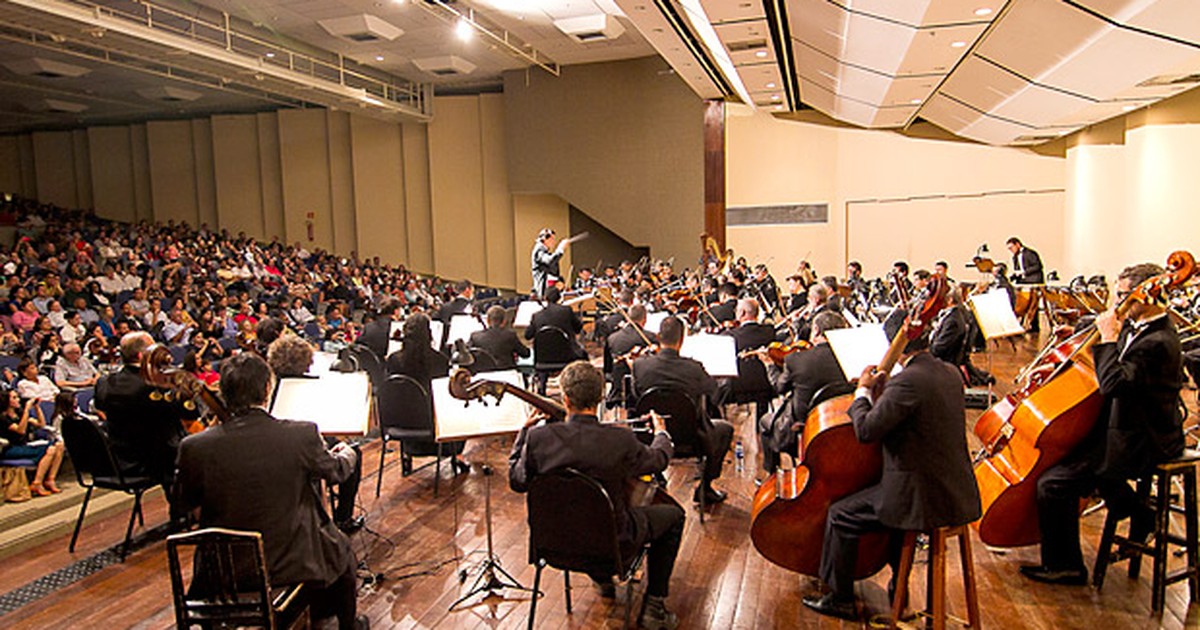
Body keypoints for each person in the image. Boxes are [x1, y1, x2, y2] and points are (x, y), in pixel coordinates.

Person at [803, 319, 981, 620]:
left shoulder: (908, 381)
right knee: (882, 504)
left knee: (841, 513)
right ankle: (900, 587)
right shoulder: (949, 372)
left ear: (894, 346)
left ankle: (840, 597)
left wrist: (862, 393)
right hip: (957, 491)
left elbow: (867, 431)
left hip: (922, 497)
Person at [175, 353, 368, 630]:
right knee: (343, 551)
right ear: (268, 389)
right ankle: (349, 625)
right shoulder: (299, 434)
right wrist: (348, 453)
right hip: (288, 562)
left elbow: (182, 505)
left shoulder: (194, 446)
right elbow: (335, 472)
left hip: (222, 571)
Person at [1020, 263, 1184, 585]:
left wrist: (1107, 337)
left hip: (1144, 439)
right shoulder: (1140, 326)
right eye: (1116, 295)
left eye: (1124, 297)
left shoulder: (1159, 341)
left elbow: (1113, 385)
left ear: (1149, 297)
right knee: (1076, 457)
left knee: (1053, 484)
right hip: (1121, 427)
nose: (1117, 304)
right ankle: (1140, 514)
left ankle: (1066, 566)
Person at [508, 360, 683, 630]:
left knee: (582, 513)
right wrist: (662, 433)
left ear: (565, 399)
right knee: (674, 516)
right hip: (613, 546)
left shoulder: (538, 439)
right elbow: (658, 461)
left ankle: (602, 580)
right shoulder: (619, 440)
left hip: (553, 545)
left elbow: (517, 481)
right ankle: (654, 607)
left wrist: (523, 433)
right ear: (601, 397)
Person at [95, 331, 198, 520]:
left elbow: (102, 406)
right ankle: (190, 510)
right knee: (203, 449)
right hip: (157, 459)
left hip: (120, 457)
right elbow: (190, 413)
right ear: (143, 356)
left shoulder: (104, 382)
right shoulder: (155, 385)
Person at [267, 335, 364, 533]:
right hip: (304, 445)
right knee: (354, 452)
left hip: (274, 448)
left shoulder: (269, 386)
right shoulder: (310, 387)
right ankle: (343, 518)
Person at [632, 316, 734, 504]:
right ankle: (705, 487)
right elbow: (715, 395)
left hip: (651, 436)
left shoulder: (640, 365)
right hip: (691, 438)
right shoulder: (693, 368)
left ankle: (658, 475)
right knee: (725, 429)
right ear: (682, 339)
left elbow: (635, 401)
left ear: (658, 336)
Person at [761, 311, 849, 473]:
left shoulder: (797, 360)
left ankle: (771, 474)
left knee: (765, 422)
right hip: (842, 424)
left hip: (803, 426)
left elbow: (779, 388)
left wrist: (770, 366)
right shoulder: (850, 359)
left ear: (815, 330)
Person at [0, 389, 64, 496]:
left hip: (25, 445)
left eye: (17, 397)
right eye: (14, 398)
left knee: (59, 445)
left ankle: (50, 479)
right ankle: (37, 483)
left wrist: (37, 407)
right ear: (7, 401)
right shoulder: (3, 418)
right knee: (51, 449)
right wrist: (26, 410)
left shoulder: (19, 414)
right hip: (11, 448)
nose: (18, 400)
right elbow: (21, 430)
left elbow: (41, 424)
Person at [605, 303, 657, 408]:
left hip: (619, 392)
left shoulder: (612, 338)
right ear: (645, 319)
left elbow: (608, 369)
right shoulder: (650, 338)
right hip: (643, 393)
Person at [524, 286, 586, 360]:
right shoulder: (567, 311)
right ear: (559, 298)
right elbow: (578, 329)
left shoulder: (536, 316)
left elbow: (527, 335)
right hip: (566, 357)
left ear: (545, 298)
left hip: (543, 359)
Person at [468, 305, 529, 369]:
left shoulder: (475, 337)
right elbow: (526, 354)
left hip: (483, 374)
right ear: (504, 321)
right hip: (507, 373)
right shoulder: (510, 335)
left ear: (488, 320)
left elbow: (467, 353)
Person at [531, 228, 570, 299]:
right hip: (542, 291)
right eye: (552, 239)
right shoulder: (539, 250)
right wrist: (560, 249)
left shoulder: (543, 250)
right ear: (545, 239)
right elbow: (550, 261)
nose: (554, 242)